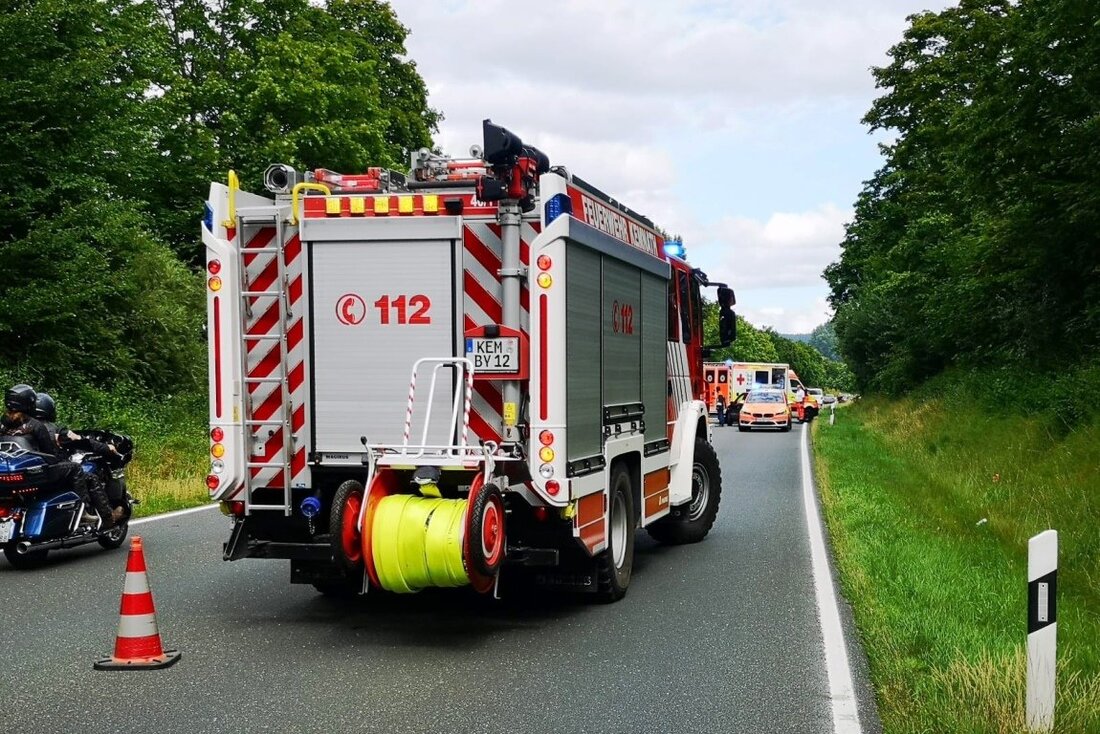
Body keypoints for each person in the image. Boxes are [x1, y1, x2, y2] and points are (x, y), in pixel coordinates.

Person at [2, 384, 113, 528]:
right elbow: (49, 454)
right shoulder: (35, 425)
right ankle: (84, 512)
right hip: (38, 473)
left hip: (10, 471)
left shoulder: (2, 424)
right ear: (29, 404)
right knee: (75, 468)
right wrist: (61, 459)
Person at [34, 391, 123, 525]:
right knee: (90, 477)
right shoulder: (55, 430)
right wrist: (106, 448)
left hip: (32, 475)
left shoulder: (22, 427)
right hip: (52, 473)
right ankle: (104, 516)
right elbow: (81, 441)